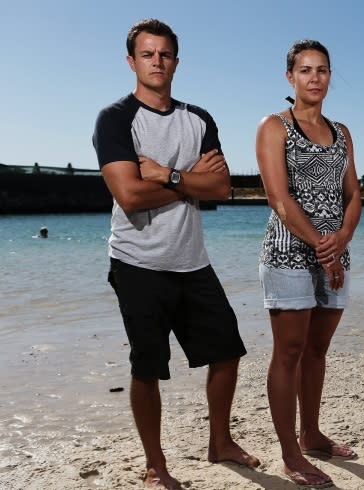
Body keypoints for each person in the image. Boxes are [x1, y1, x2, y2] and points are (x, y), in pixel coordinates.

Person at [92, 18, 259, 489]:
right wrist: (189, 181)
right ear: (132, 61)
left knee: (227, 352)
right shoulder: (115, 118)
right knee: (148, 367)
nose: (157, 62)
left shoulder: (199, 119)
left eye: (165, 54)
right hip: (137, 263)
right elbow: (129, 196)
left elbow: (222, 188)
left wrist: (166, 174)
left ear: (176, 62)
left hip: (192, 261)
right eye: (147, 54)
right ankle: (155, 463)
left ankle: (220, 441)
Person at [255, 40, 361, 489]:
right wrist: (322, 244)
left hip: (335, 251)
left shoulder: (342, 131)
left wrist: (342, 240)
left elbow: (353, 193)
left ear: (329, 76)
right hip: (289, 252)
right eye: (304, 70)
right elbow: (278, 197)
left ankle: (312, 433)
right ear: (290, 77)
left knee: (318, 350)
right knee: (290, 352)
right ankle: (290, 454)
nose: (314, 77)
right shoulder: (274, 126)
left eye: (321, 69)